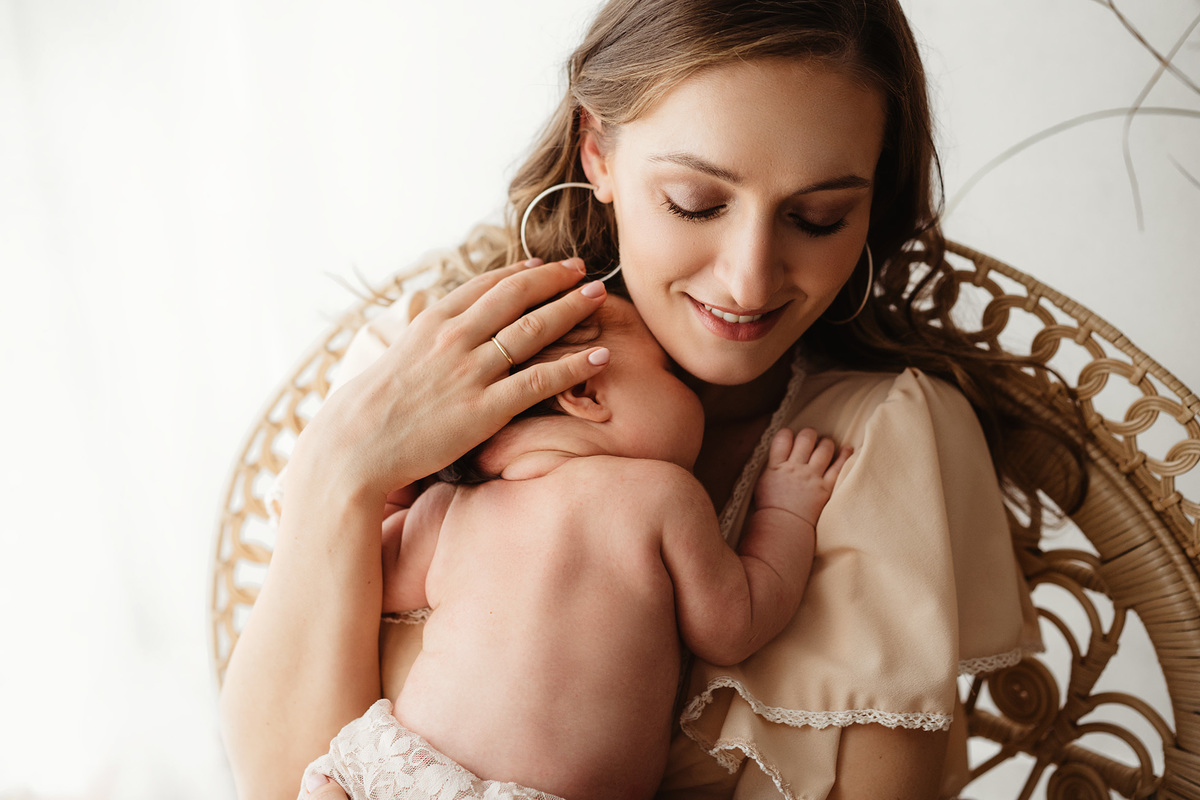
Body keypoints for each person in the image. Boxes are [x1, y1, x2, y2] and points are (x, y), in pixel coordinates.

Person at [220, 1, 1068, 798]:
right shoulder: (437, 363)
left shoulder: (874, 443)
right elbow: (281, 777)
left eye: (816, 217)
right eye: (694, 202)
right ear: (598, 153)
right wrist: (343, 467)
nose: (747, 279)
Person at [297, 295, 849, 799]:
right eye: (671, 373)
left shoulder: (450, 510)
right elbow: (735, 625)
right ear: (585, 392)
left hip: (399, 775)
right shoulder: (662, 495)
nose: (696, 391)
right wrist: (785, 511)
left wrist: (398, 479)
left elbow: (369, 579)